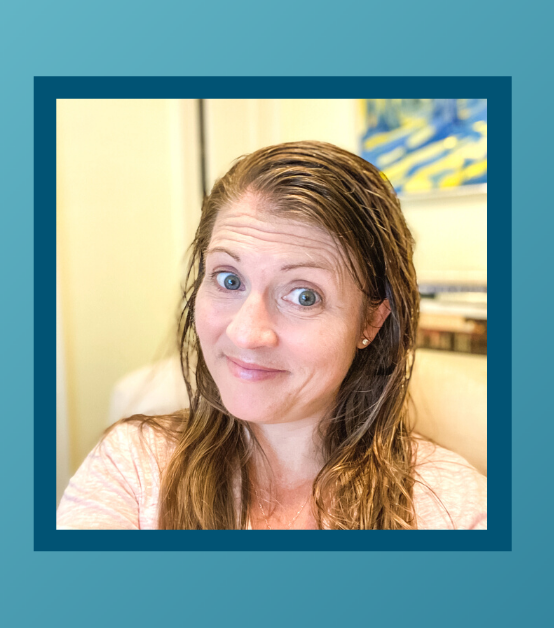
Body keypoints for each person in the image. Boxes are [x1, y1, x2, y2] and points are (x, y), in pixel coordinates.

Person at [57, 141, 487, 530]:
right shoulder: (132, 467)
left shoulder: (450, 506)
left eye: (303, 296)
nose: (245, 332)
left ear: (371, 322)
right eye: (228, 280)